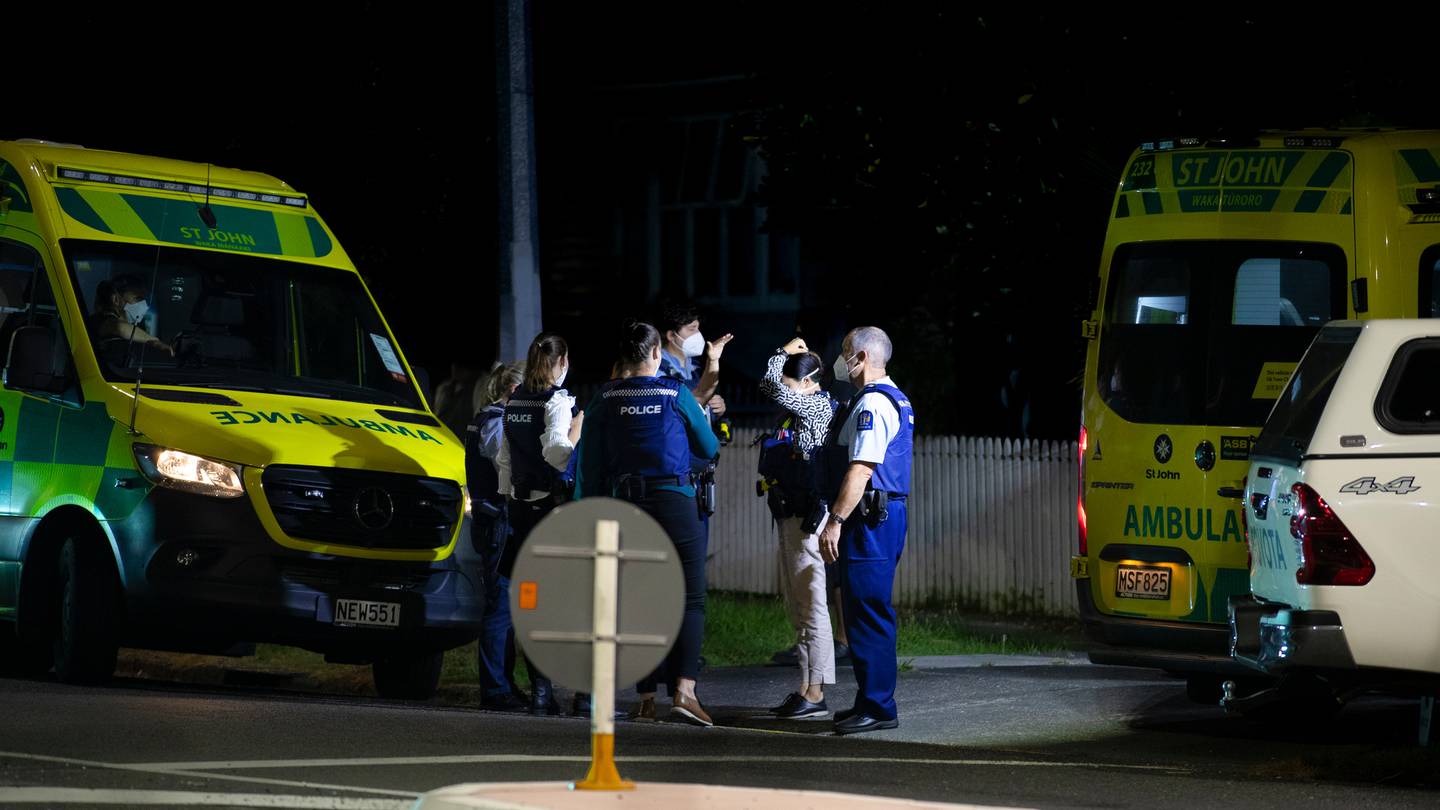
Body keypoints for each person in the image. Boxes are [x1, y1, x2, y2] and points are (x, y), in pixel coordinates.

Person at [574, 320, 719, 726]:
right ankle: (684, 692)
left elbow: (589, 466)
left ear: (624, 356)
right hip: (675, 502)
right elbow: (709, 446)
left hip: (626, 505)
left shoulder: (605, 398)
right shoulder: (676, 393)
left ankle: (646, 699)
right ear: (656, 353)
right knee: (689, 597)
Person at [817, 326, 914, 735]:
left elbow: (861, 469)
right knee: (860, 610)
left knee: (868, 611)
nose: (841, 359)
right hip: (881, 516)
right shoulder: (892, 397)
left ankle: (878, 706)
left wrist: (835, 521)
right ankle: (868, 700)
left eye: (845, 351)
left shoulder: (874, 402)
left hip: (871, 518)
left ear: (861, 358)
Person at [496, 333, 585, 716]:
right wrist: (578, 428)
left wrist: (511, 499)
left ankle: (541, 693)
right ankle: (568, 693)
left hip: (519, 511)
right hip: (550, 512)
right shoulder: (557, 402)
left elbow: (504, 459)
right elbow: (557, 454)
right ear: (561, 362)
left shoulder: (515, 400)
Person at [758, 338, 837, 719]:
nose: (785, 393)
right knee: (799, 607)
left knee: (812, 605)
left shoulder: (817, 405)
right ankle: (806, 687)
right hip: (789, 514)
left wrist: (781, 353)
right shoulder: (798, 410)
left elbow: (769, 385)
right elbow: (773, 388)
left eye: (791, 386)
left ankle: (816, 692)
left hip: (807, 518)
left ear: (807, 383)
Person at [465, 360, 527, 712]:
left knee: (508, 609)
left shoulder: (491, 419)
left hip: (499, 524)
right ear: (515, 390)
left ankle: (504, 684)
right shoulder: (494, 422)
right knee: (501, 608)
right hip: (497, 525)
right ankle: (494, 689)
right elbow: (508, 467)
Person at [91, 275, 172, 355]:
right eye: (138, 298)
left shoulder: (133, 327)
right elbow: (120, 327)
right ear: (116, 300)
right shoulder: (102, 320)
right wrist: (154, 341)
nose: (144, 304)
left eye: (144, 299)